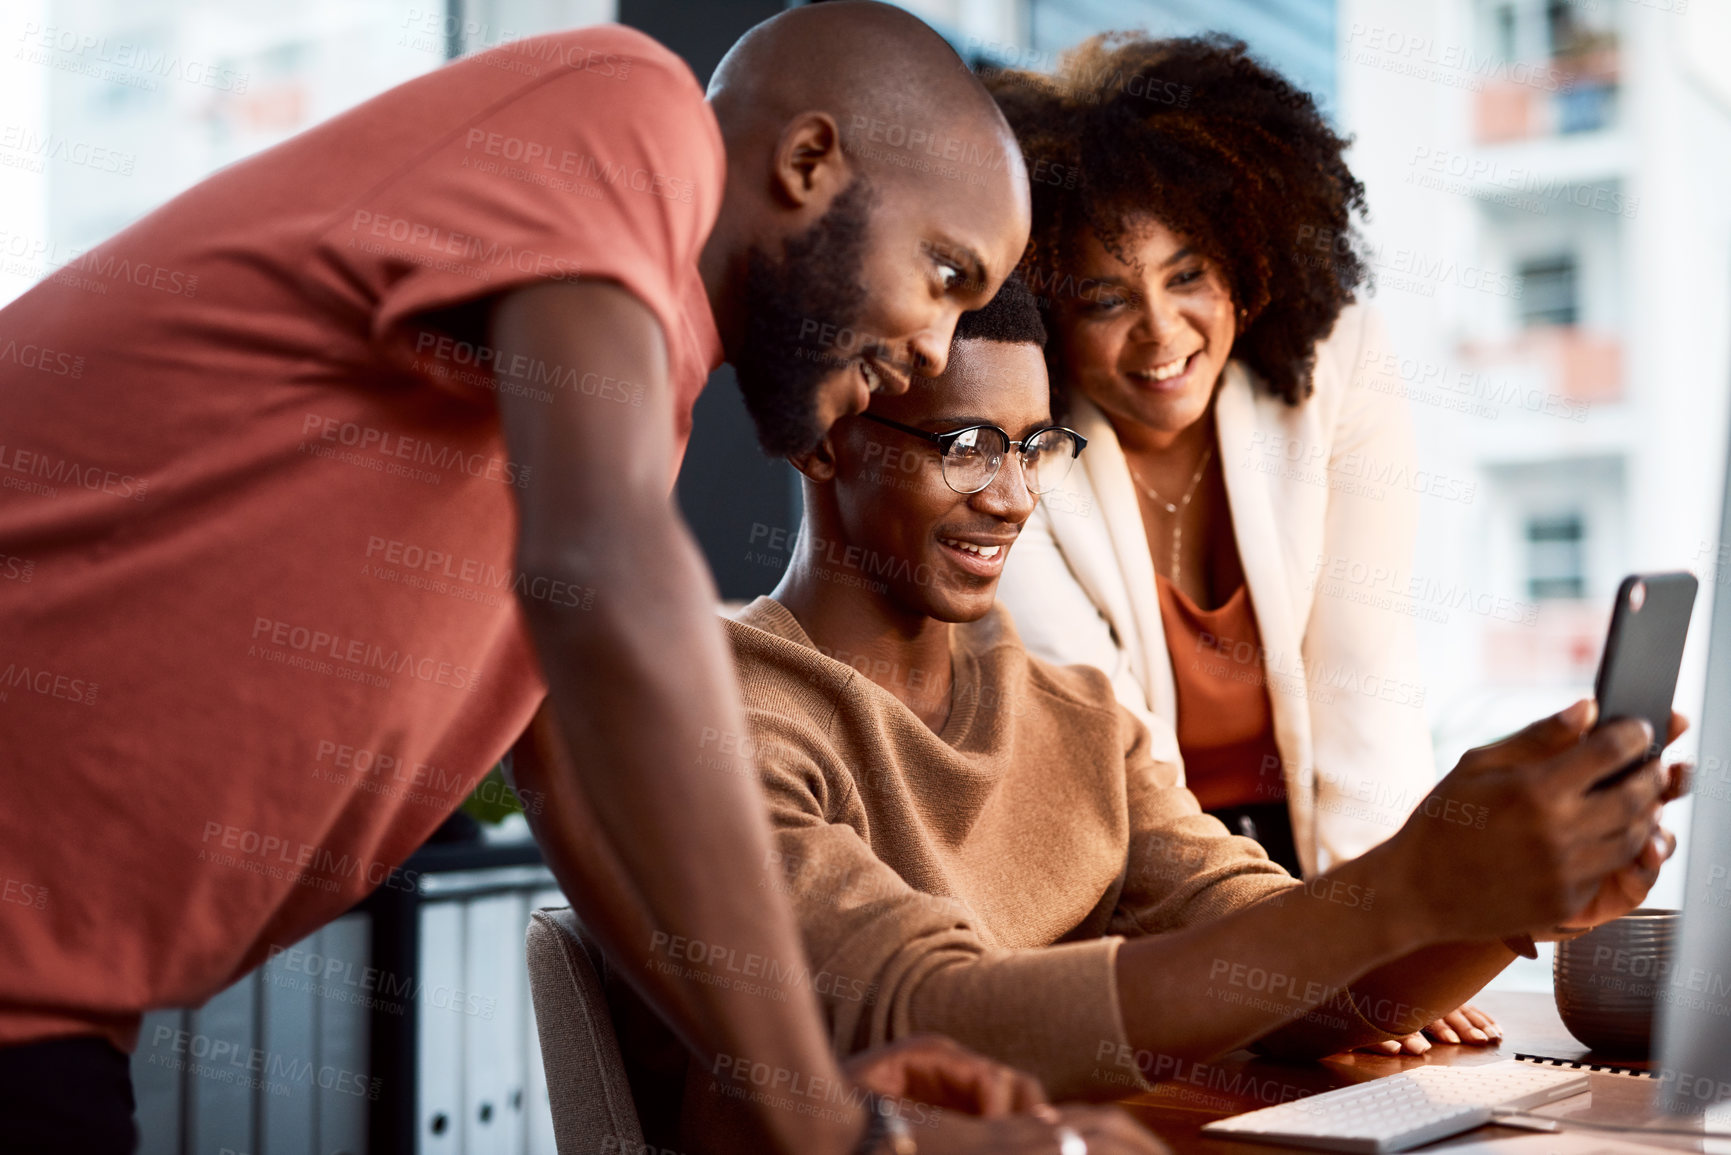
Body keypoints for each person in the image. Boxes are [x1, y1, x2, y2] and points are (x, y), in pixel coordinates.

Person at [0, 6, 1163, 1153]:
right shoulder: (628, 106)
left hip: (51, 1017)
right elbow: (605, 584)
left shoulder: (590, 431)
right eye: (946, 271)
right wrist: (833, 1133)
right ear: (810, 162)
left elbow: (583, 790)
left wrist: (814, 1093)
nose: (928, 350)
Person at [693, 273, 1686, 1122]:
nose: (1010, 497)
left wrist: (1499, 905)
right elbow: (927, 1017)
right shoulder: (722, 717)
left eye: (1035, 448)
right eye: (965, 446)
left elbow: (1301, 987)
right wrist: (1409, 886)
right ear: (823, 439)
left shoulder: (1076, 719)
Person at [983, 36, 1494, 1050]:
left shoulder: (1334, 363)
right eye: (1105, 297)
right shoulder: (1016, 438)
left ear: (1253, 263)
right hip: (1133, 908)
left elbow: (1365, 675)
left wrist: (1377, 955)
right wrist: (1303, 969)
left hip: (1331, 869)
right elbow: (1107, 754)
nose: (1162, 335)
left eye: (1189, 276)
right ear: (1045, 308)